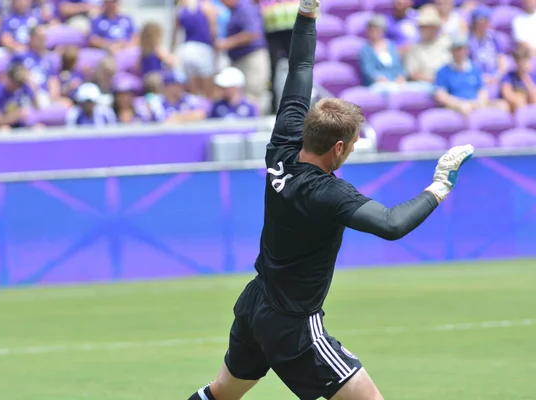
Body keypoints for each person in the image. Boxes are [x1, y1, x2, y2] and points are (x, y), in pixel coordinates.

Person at [187, 0, 475, 399]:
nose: (354, 149)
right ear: (338, 147)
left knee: (222, 392)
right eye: (354, 144)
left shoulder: (283, 145)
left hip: (256, 304)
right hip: (294, 324)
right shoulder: (327, 192)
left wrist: (306, 14)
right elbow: (391, 224)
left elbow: (300, 67)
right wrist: (439, 186)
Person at [434, 33, 507, 115]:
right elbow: (440, 95)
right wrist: (459, 104)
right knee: (466, 109)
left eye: (462, 49)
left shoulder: (475, 69)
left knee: (501, 105)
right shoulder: (443, 71)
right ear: (451, 51)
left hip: (475, 103)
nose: (459, 52)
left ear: (466, 51)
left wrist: (479, 103)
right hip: (457, 106)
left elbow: (482, 90)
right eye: (456, 49)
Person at [500, 45, 536, 113]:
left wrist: (525, 77)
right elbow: (507, 94)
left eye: (525, 61)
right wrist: (519, 98)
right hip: (516, 107)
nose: (523, 65)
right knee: (519, 102)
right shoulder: (508, 76)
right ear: (516, 63)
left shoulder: (532, 77)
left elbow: (534, 97)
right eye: (520, 62)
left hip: (529, 104)